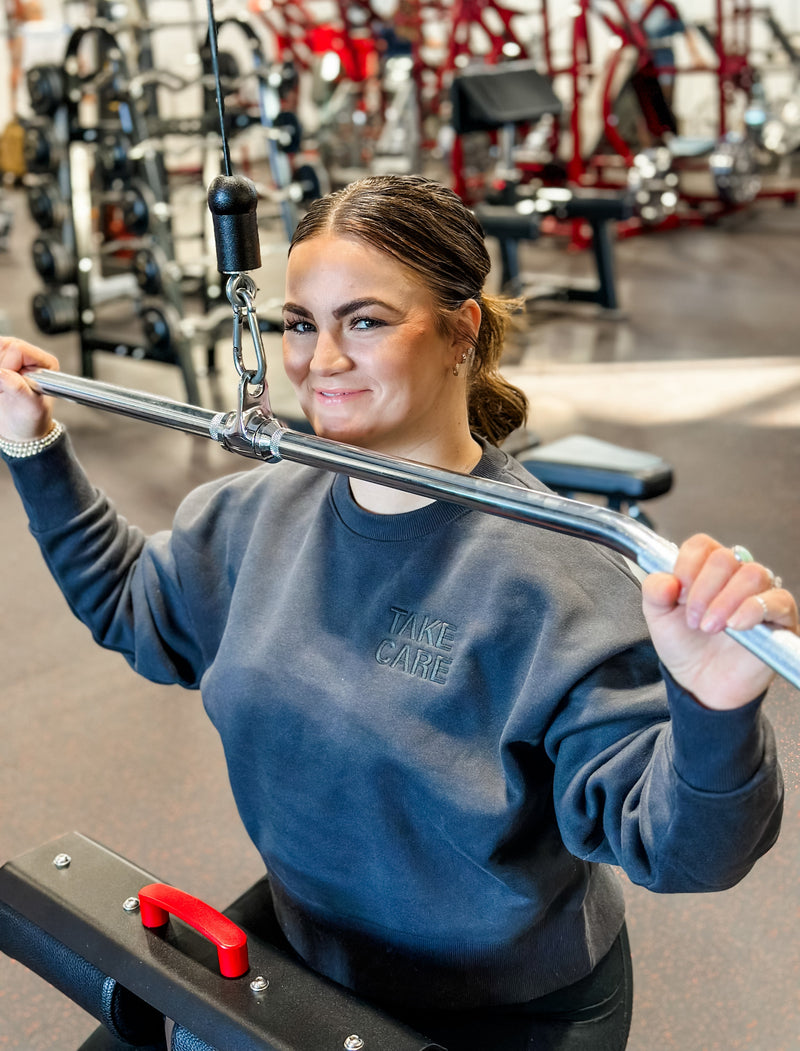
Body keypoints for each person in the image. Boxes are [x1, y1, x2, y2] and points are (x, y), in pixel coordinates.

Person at [0, 175, 796, 1051]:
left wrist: (716, 709)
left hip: (501, 1008)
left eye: (366, 321)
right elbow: (131, 604)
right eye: (300, 323)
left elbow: (686, 850)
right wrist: (31, 441)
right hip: (311, 949)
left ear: (462, 331)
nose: (321, 360)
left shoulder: (560, 581)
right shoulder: (253, 514)